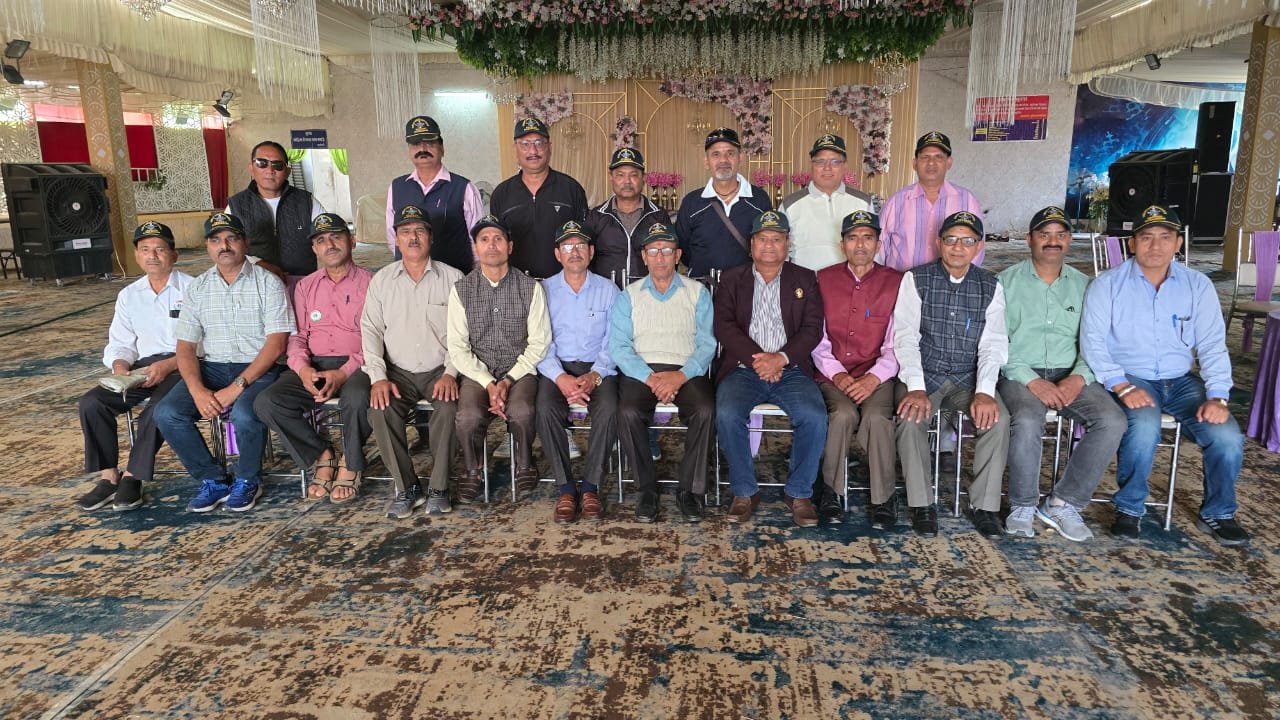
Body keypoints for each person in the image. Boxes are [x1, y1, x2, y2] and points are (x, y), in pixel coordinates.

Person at [1081, 205, 1249, 546]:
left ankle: (1218, 512)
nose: (1155, 246)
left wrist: (1218, 396)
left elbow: (1213, 345)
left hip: (1182, 381)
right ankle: (1129, 508)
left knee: (1227, 436)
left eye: (1164, 237)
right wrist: (1121, 386)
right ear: (1132, 243)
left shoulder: (1197, 285)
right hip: (1131, 377)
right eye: (1146, 237)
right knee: (1143, 426)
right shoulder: (1107, 285)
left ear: (1178, 243)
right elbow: (1092, 343)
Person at [998, 206, 1126, 542]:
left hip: (1071, 371)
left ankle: (1062, 503)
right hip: (1020, 372)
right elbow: (997, 343)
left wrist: (1079, 376)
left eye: (1060, 235)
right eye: (1044, 234)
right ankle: (1023, 505)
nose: (1052, 241)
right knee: (1027, 419)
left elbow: (1096, 342)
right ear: (1030, 239)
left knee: (1112, 420)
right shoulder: (1004, 283)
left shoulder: (1087, 287)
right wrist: (1032, 380)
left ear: (1069, 240)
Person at [153, 213, 293, 513]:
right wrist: (197, 391)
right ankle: (213, 480)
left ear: (245, 243)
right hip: (213, 367)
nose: (224, 246)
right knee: (167, 412)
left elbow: (276, 344)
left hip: (259, 367)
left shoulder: (267, 283)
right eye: (215, 240)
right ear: (207, 247)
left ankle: (248, 479)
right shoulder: (199, 287)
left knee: (244, 414)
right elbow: (186, 347)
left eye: (231, 238)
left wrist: (237, 386)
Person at [893, 211, 1009, 538]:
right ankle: (921, 504)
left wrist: (984, 391)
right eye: (951, 239)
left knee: (998, 420)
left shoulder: (990, 285)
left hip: (966, 378)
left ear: (979, 246)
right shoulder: (915, 279)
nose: (958, 247)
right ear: (938, 242)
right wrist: (915, 387)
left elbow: (993, 343)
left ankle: (984, 506)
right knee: (910, 418)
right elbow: (905, 337)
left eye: (967, 241)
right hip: (925, 374)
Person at [714, 211, 827, 527]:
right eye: (763, 239)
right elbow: (724, 326)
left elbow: (812, 329)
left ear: (787, 244)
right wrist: (760, 360)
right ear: (752, 245)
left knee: (814, 416)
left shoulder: (805, 278)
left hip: (791, 370)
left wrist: (781, 359)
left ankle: (799, 493)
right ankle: (744, 491)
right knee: (727, 413)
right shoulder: (732, 278)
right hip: (743, 370)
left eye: (776, 239)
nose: (769, 246)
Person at [254, 213, 373, 505]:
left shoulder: (373, 282)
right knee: (268, 402)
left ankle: (352, 462)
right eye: (321, 240)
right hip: (315, 363)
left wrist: (343, 373)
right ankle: (322, 454)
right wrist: (303, 369)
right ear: (314, 249)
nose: (329, 244)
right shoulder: (305, 286)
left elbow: (377, 338)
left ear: (352, 241)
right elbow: (298, 336)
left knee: (358, 397)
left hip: (360, 364)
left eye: (336, 237)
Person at [74, 222, 194, 512]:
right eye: (145, 249)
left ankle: (133, 476)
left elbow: (207, 342)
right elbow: (121, 342)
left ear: (174, 255)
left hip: (185, 364)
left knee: (158, 408)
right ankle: (108, 476)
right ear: (137, 255)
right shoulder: (129, 295)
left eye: (160, 249)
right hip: (142, 366)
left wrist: (169, 364)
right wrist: (120, 367)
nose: (152, 256)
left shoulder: (194, 288)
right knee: (92, 403)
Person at [609, 223, 717, 523]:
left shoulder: (697, 292)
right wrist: (650, 378)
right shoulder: (628, 295)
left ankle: (689, 490)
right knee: (628, 411)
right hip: (642, 371)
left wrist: (681, 376)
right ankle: (646, 489)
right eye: (653, 251)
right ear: (644, 257)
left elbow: (707, 343)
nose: (660, 257)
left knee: (705, 409)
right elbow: (619, 346)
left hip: (686, 369)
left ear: (677, 255)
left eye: (667, 250)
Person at [363, 205, 465, 518]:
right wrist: (379, 377)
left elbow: (463, 333)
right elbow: (371, 329)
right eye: (405, 231)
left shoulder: (453, 278)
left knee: (449, 409)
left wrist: (450, 373)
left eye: (420, 231)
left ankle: (439, 488)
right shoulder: (382, 280)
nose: (413, 237)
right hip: (398, 372)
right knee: (380, 410)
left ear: (431, 237)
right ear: (396, 239)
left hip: (439, 370)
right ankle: (407, 487)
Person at [448, 215, 551, 500]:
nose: (491, 245)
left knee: (522, 411)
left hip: (520, 370)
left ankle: (525, 461)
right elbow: (457, 347)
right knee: (468, 416)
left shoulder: (530, 287)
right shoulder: (461, 290)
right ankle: (473, 468)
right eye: (484, 239)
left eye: (498, 239)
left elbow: (539, 343)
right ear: (475, 248)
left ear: (510, 246)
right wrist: (488, 383)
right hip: (477, 370)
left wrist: (507, 381)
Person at [810, 210, 902, 527]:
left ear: (878, 244)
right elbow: (816, 338)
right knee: (842, 415)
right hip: (832, 374)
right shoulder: (822, 279)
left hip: (878, 374)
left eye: (867, 237)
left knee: (876, 418)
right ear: (842, 245)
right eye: (852, 238)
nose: (860, 244)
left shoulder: (897, 282)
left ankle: (884, 498)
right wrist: (838, 374)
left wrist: (873, 378)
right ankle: (830, 492)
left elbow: (897, 342)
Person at [535, 221, 621, 523]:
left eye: (581, 245)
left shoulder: (609, 290)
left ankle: (590, 487)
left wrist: (595, 375)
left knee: (610, 408)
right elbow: (538, 341)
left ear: (591, 252)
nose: (575, 252)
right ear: (557, 254)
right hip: (556, 367)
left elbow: (616, 340)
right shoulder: (543, 291)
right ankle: (566, 488)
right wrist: (560, 377)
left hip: (598, 367)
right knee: (544, 408)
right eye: (568, 246)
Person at [488, 117, 589, 279]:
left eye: (539, 143)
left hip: (563, 284)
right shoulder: (501, 194)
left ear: (549, 147)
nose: (533, 151)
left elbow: (584, 240)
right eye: (525, 144)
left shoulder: (571, 188)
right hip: (515, 285)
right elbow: (496, 242)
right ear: (515, 149)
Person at [385, 115, 483, 273]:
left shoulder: (464, 188)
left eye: (430, 143)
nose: (422, 149)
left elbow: (478, 241)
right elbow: (392, 238)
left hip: (455, 279)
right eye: (416, 144)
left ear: (442, 148)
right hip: (408, 278)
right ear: (409, 149)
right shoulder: (397, 187)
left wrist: (470, 278)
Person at [675, 127, 773, 278]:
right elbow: (683, 250)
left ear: (740, 158)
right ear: (706, 162)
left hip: (746, 287)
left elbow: (768, 245)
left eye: (730, 153)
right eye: (716, 154)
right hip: (702, 288)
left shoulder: (759, 200)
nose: (723, 160)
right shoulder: (692, 203)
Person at [879, 131, 984, 272]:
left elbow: (977, 248)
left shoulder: (967, 201)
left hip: (950, 283)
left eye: (938, 157)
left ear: (949, 162)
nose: (931, 163)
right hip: (901, 281)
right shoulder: (896, 201)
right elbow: (880, 247)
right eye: (925, 157)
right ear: (915, 163)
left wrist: (961, 280)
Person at [227, 140, 325, 281]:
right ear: (251, 168)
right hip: (255, 282)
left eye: (277, 165)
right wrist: (257, 263)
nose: (270, 170)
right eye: (262, 163)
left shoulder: (306, 201)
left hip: (302, 282)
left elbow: (328, 235)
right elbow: (226, 246)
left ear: (287, 172)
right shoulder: (236, 205)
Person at [780, 134, 874, 271]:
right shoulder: (790, 205)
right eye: (820, 161)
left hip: (851, 282)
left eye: (835, 161)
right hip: (804, 282)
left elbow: (873, 249)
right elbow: (780, 251)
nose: (827, 168)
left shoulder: (863, 202)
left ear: (845, 165)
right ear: (811, 165)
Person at [585, 147, 671, 286]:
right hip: (606, 294)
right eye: (620, 175)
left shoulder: (658, 216)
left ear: (644, 178)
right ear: (611, 177)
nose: (627, 181)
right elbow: (585, 258)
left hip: (647, 293)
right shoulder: (597, 216)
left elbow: (670, 257)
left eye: (633, 175)